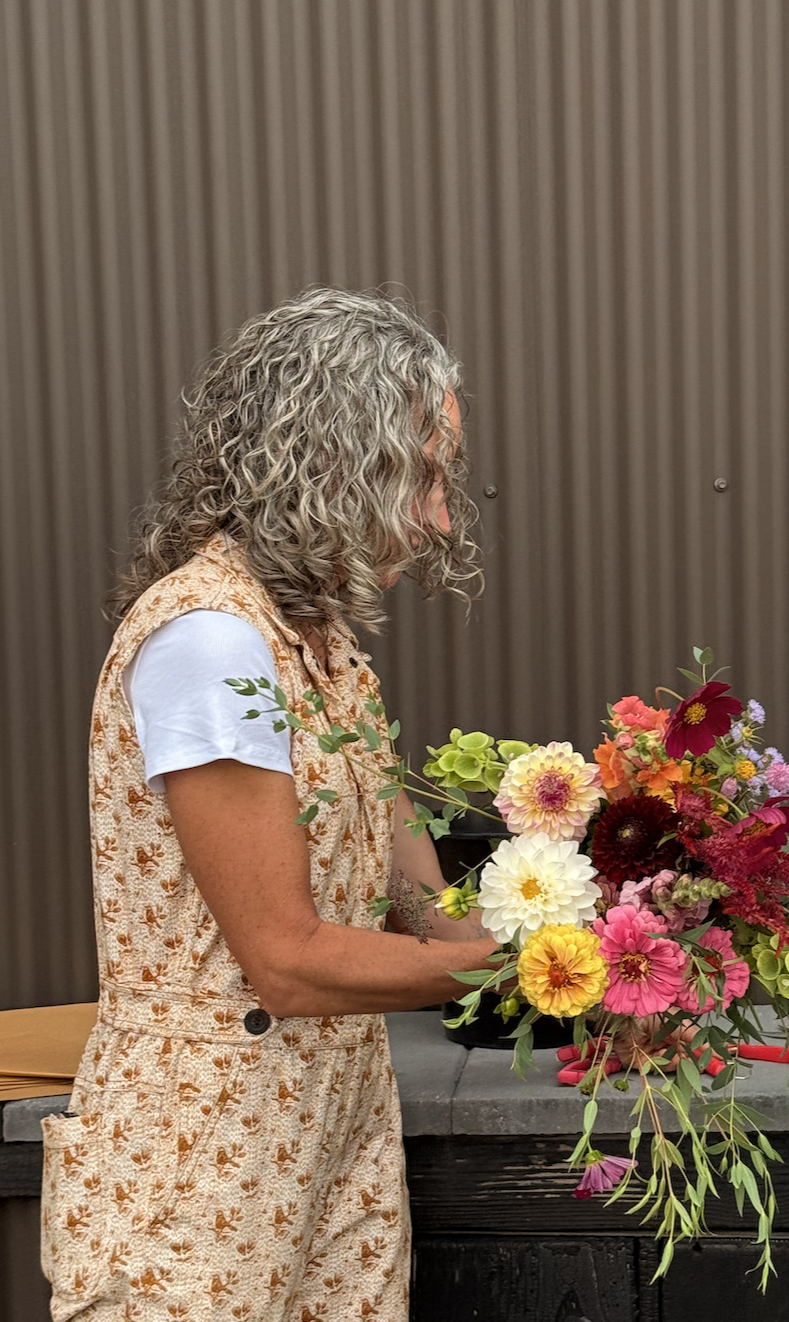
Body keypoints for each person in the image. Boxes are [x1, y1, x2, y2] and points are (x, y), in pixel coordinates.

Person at [40, 287, 503, 1322]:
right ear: (334, 461)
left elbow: (417, 910)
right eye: (422, 476)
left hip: (330, 1130)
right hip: (199, 1152)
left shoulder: (329, 654)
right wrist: (542, 975)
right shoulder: (211, 642)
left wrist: (616, 929)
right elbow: (285, 960)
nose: (437, 517)